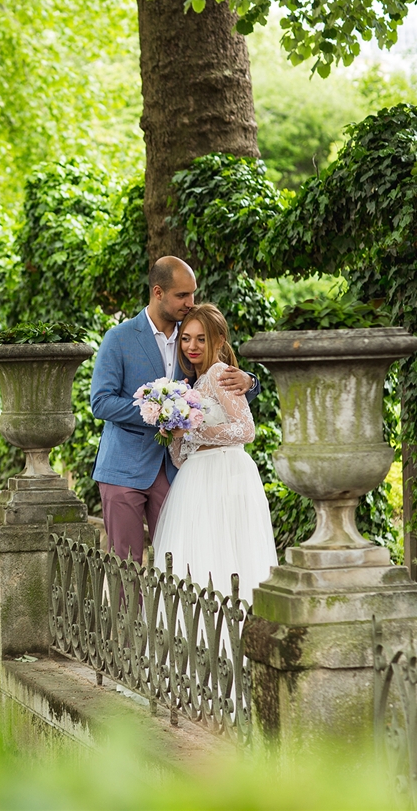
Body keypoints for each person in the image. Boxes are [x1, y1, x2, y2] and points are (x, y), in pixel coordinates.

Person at [90, 256, 261, 566]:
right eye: (182, 295)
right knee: (125, 564)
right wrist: (160, 412)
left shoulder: (192, 336)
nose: (190, 302)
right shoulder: (119, 339)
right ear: (158, 292)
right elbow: (101, 401)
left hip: (177, 471)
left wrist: (251, 381)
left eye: (192, 293)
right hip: (124, 467)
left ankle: (171, 618)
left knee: (181, 563)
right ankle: (129, 618)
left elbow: (218, 381)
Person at [150, 304, 277, 602]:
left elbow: (246, 430)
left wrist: (191, 429)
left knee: (228, 554)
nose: (192, 346)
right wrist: (173, 431)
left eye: (201, 339)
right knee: (196, 557)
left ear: (219, 341)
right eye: (186, 338)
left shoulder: (220, 373)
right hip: (194, 478)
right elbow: (180, 458)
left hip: (227, 474)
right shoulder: (190, 386)